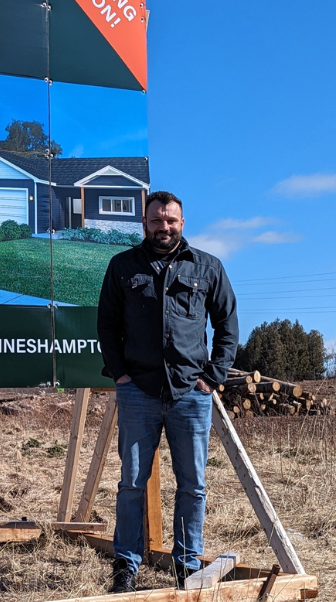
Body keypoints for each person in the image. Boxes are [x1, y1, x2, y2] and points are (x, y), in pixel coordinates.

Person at [96, 191, 238, 592]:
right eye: (156, 220)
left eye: (171, 220)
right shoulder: (122, 266)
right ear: (145, 223)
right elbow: (107, 324)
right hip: (137, 390)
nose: (164, 227)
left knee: (192, 484)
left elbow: (227, 327)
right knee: (131, 483)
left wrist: (212, 377)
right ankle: (126, 565)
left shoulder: (208, 267)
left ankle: (187, 565)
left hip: (190, 393)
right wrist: (120, 374)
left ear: (182, 222)